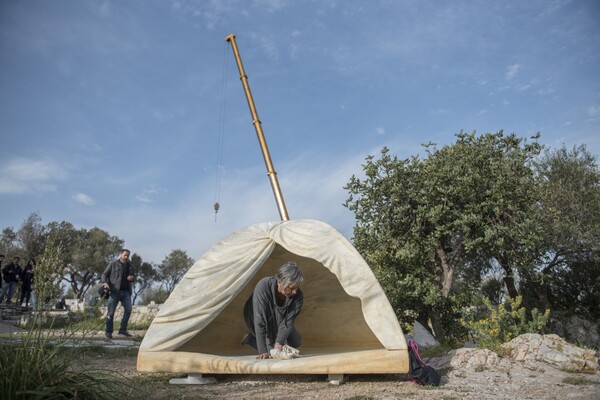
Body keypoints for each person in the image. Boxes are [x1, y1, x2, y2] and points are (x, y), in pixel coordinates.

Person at [241, 261, 304, 359]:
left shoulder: (298, 296)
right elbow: (260, 321)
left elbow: (288, 321)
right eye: (291, 288)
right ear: (280, 282)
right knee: (270, 352)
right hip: (258, 316)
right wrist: (262, 351)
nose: (295, 292)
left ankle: (272, 341)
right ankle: (251, 339)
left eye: (296, 288)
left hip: (280, 318)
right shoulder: (263, 287)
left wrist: (279, 343)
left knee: (296, 342)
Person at [101, 249, 135, 339]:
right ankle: (108, 332)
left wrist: (132, 277)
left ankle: (122, 331)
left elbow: (133, 276)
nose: (126, 257)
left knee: (128, 310)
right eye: (125, 255)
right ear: (120, 255)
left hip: (126, 292)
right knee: (110, 313)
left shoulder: (129, 265)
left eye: (128, 255)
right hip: (114, 291)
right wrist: (105, 283)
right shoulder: (113, 264)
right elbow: (104, 274)